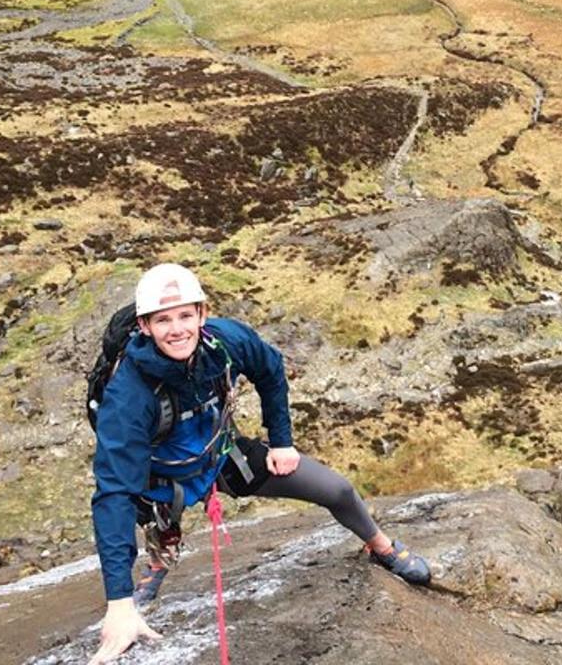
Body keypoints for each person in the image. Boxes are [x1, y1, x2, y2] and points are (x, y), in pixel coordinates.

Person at [88, 263, 430, 664]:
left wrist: (282, 442)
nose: (177, 329)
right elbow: (113, 495)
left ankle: (381, 547)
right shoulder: (128, 397)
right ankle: (160, 556)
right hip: (158, 479)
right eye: (163, 320)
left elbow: (270, 370)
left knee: (335, 489)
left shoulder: (226, 342)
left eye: (185, 315)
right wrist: (118, 602)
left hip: (221, 456)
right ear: (145, 326)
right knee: (161, 522)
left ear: (202, 313)